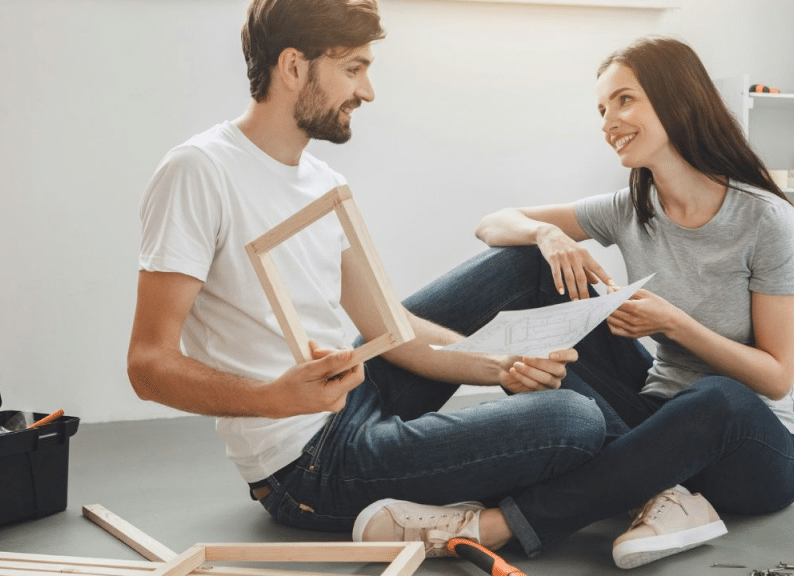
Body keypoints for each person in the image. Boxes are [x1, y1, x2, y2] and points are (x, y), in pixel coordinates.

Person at [126, 0, 611, 551]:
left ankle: (644, 461)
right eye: (353, 68)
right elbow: (148, 365)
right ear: (292, 67)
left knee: (523, 262)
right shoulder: (198, 171)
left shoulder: (323, 181)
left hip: (353, 390)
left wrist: (499, 367)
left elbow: (391, 326)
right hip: (307, 464)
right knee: (574, 420)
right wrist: (276, 398)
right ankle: (631, 476)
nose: (368, 91)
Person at [355, 36, 794, 569]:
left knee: (717, 396)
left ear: (678, 99)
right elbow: (492, 223)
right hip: (655, 418)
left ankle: (493, 525)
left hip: (752, 446)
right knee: (531, 266)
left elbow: (777, 376)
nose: (608, 121)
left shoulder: (764, 220)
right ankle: (661, 495)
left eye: (624, 100)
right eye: (601, 109)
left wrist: (675, 324)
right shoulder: (631, 206)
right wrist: (547, 237)